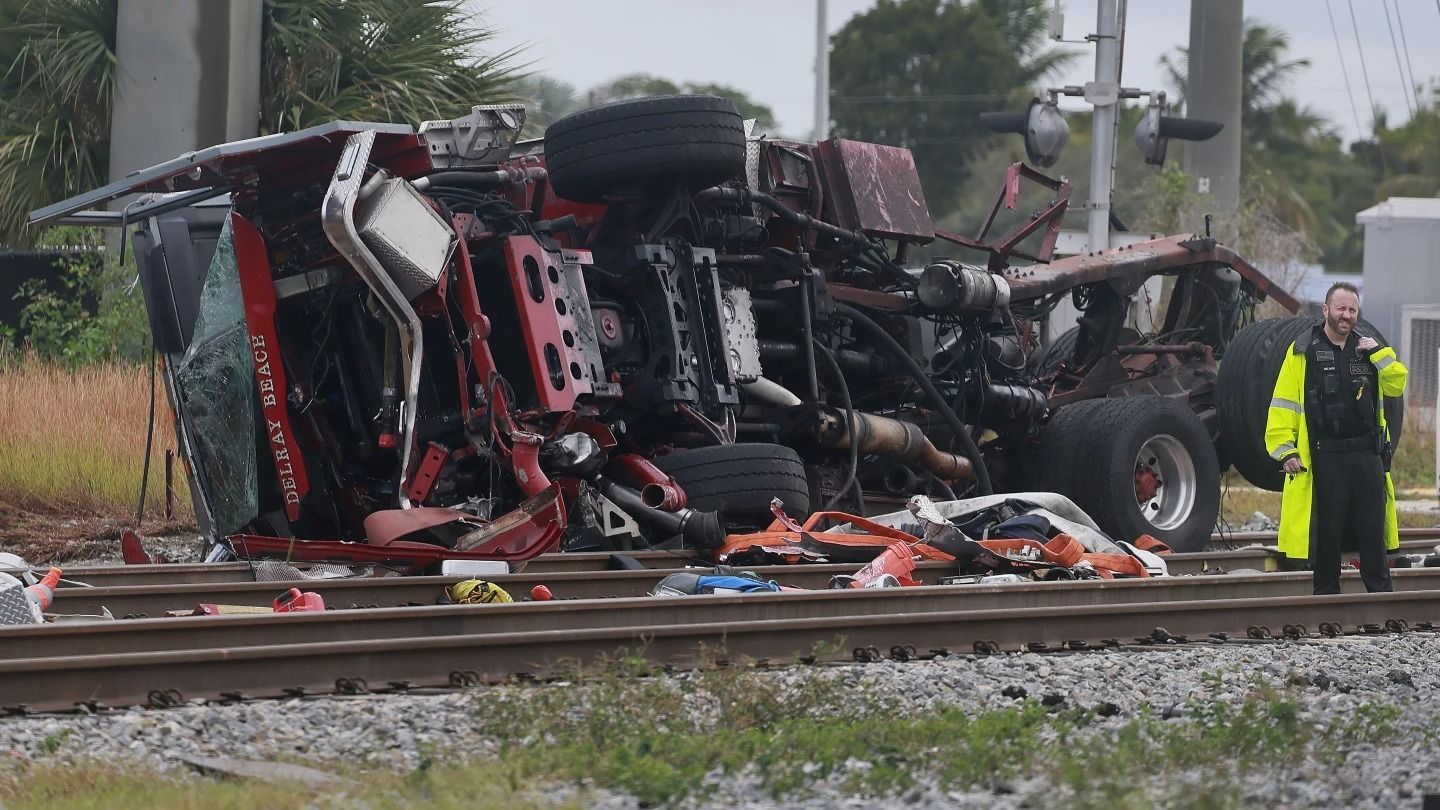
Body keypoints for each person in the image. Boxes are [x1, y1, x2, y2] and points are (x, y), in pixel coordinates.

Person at [1265, 282, 1407, 594]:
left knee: (1373, 528)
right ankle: (1327, 596)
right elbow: (1283, 404)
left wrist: (1379, 353)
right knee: (1327, 530)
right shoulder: (1303, 351)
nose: (1347, 315)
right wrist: (1285, 450)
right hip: (1324, 455)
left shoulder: (1369, 350)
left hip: (1367, 454)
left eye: (1352, 310)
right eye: (1341, 308)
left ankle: (1382, 595)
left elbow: (1397, 384)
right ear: (1326, 310)